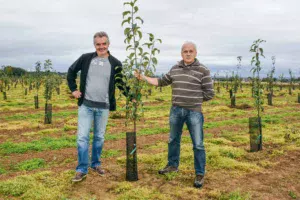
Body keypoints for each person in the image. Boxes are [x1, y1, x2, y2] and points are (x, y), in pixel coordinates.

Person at [134, 41, 214, 188]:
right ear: (181, 53)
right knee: (173, 140)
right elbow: (161, 81)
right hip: (176, 110)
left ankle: (200, 173)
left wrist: (194, 100)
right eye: (185, 51)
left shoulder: (203, 70)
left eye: (191, 51)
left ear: (195, 53)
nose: (188, 53)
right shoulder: (175, 69)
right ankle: (172, 165)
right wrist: (144, 78)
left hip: (194, 112)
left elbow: (209, 93)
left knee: (198, 144)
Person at [67, 31, 130, 182]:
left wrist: (131, 97)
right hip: (86, 106)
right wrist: (74, 89)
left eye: (104, 44)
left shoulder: (115, 63)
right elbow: (71, 72)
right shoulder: (86, 58)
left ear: (108, 44)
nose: (101, 47)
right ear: (94, 45)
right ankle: (82, 168)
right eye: (98, 44)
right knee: (82, 137)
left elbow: (121, 84)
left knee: (99, 137)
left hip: (103, 107)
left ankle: (95, 164)